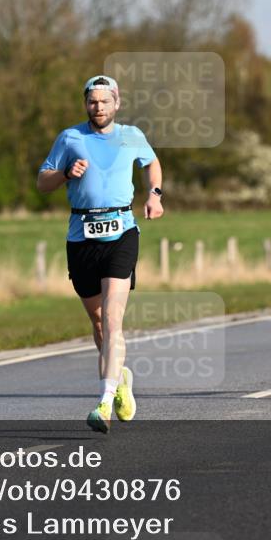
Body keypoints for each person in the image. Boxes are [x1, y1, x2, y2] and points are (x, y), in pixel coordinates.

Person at [37, 75, 164, 432]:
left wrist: (154, 194)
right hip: (81, 236)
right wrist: (64, 173)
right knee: (98, 325)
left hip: (122, 231)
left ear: (116, 103)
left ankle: (104, 402)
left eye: (104, 101)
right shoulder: (70, 138)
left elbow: (152, 164)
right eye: (93, 101)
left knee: (112, 318)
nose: (98, 107)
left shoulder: (131, 135)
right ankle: (120, 378)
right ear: (86, 104)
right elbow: (42, 181)